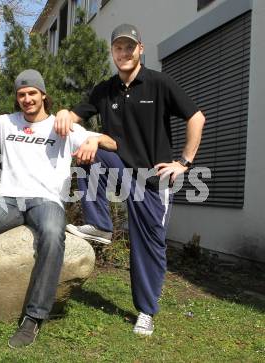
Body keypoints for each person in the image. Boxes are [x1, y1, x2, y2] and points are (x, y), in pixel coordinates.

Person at [54, 24, 205, 336]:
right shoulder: (105, 89)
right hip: (121, 170)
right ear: (113, 52)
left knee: (147, 245)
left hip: (153, 182)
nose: (123, 53)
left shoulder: (159, 84)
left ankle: (146, 311)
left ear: (141, 50)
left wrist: (184, 163)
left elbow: (196, 117)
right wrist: (64, 114)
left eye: (129, 47)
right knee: (87, 151)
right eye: (118, 48)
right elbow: (75, 117)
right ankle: (100, 225)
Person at [0, 69, 117, 349]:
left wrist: (92, 140)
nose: (27, 99)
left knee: (54, 236)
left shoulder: (62, 125)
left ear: (43, 95)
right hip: (8, 200)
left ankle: (33, 317)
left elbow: (111, 142)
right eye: (21, 94)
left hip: (46, 200)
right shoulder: (7, 123)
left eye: (32, 93)